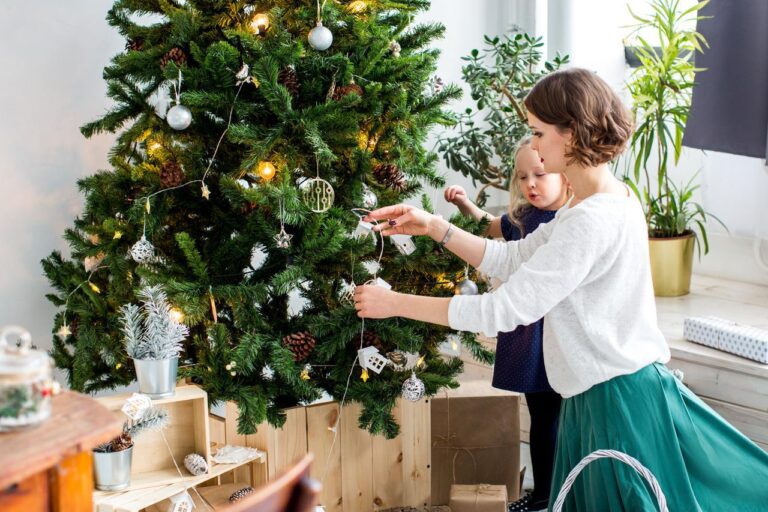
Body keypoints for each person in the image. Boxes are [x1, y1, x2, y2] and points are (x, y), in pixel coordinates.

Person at [354, 68, 768, 511]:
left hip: (616, 403)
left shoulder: (591, 221)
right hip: (597, 394)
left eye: (537, 133)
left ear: (571, 134)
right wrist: (436, 227)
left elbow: (501, 311)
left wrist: (394, 303)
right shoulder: (596, 201)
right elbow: (511, 259)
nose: (532, 146)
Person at [444, 139, 569, 512]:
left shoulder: (570, 220)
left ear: (567, 173)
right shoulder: (523, 216)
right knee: (540, 416)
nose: (531, 184)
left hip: (553, 334)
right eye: (523, 177)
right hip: (527, 332)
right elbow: (489, 227)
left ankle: (555, 493)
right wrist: (465, 205)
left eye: (540, 175)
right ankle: (544, 493)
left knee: (557, 418)